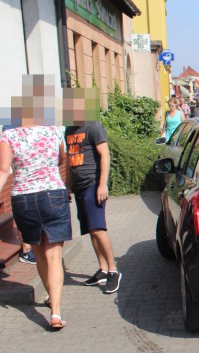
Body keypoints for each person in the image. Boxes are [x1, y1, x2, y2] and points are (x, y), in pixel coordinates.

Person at [0, 83, 72, 329]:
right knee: (54, 255)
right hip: (53, 193)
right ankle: (56, 312)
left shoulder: (8, 135)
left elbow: (3, 170)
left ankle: (51, 296)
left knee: (38, 252)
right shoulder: (53, 132)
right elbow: (62, 159)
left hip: (23, 197)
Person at [64, 99, 121, 294]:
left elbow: (105, 155)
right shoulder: (69, 130)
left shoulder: (93, 126)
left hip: (93, 184)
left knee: (98, 228)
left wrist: (102, 184)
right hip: (79, 187)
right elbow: (71, 161)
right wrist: (67, 186)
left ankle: (113, 271)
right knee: (90, 229)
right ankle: (102, 269)